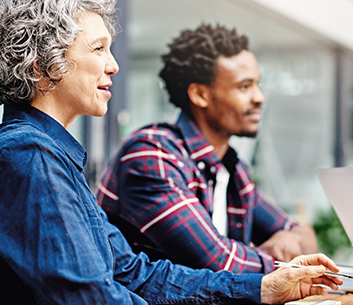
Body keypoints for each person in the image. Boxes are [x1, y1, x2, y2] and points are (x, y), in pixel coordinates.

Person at [0, 0, 341, 305]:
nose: (114, 65)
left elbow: (133, 273)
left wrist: (264, 286)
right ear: (41, 66)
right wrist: (125, 296)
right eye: (98, 49)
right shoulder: (31, 154)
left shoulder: (48, 154)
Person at [97, 23, 317, 274]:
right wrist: (280, 256)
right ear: (200, 94)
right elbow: (219, 264)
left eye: (257, 84)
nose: (259, 98)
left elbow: (303, 236)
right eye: (244, 87)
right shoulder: (152, 155)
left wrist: (291, 243)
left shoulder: (232, 169)